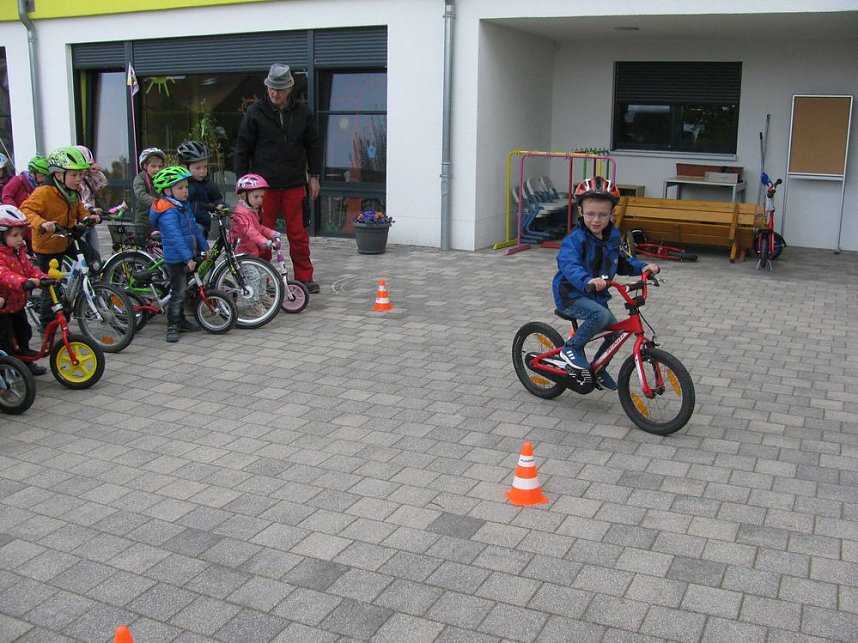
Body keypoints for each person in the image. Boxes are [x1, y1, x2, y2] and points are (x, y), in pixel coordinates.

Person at [553, 176, 659, 390]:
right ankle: (571, 348)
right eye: (590, 214)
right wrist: (587, 280)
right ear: (581, 212)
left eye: (602, 215)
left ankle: (598, 369)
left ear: (612, 214)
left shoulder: (612, 237)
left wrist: (643, 267)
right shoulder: (575, 240)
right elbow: (569, 264)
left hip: (597, 296)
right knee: (600, 316)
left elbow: (623, 262)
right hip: (572, 295)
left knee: (615, 333)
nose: (596, 220)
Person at [234, 63, 322, 294]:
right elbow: (242, 149)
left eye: (280, 89)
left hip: (294, 183)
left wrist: (314, 175)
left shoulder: (304, 113)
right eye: (272, 88)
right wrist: (243, 185)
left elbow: (313, 145)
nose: (275, 93)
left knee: (298, 234)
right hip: (263, 188)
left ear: (290, 88)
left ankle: (304, 277)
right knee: (261, 233)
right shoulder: (255, 112)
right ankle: (263, 280)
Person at [20, 147, 99, 328]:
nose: (79, 179)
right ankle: (47, 325)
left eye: (80, 174)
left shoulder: (72, 190)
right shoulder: (44, 192)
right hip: (48, 245)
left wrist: (87, 216)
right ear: (58, 175)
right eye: (74, 175)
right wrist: (42, 223)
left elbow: (78, 207)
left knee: (93, 262)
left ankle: (81, 295)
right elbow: (26, 209)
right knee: (52, 287)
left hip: (68, 237)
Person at [149, 166, 207, 343]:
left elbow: (195, 228)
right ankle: (172, 325)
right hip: (176, 259)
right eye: (180, 188)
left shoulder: (182, 207)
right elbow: (176, 237)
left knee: (185, 290)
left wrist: (205, 246)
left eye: (186, 187)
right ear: (168, 191)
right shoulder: (168, 212)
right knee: (178, 292)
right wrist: (187, 258)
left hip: (186, 255)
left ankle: (181, 320)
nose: (185, 191)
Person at [0, 205, 50, 375]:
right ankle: (8, 370)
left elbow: (30, 269)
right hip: (3, 307)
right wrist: (24, 283)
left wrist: (42, 277)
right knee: (6, 340)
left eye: (21, 234)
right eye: (14, 235)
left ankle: (25, 363)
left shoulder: (19, 251)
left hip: (17, 305)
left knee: (24, 333)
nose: (20, 239)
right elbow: (4, 275)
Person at [176, 140, 225, 237]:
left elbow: (216, 198)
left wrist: (220, 205)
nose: (202, 171)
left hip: (203, 225)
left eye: (205, 167)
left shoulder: (208, 183)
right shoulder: (179, 185)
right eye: (198, 168)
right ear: (184, 167)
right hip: (183, 226)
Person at [2, 156, 50, 252]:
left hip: (31, 221)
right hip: (19, 219)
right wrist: (16, 212)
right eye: (43, 175)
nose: (45, 178)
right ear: (34, 173)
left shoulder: (40, 186)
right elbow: (6, 194)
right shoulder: (19, 180)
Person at [229, 173, 280, 260]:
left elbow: (258, 228)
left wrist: (272, 234)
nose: (260, 200)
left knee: (259, 272)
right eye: (256, 197)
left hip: (250, 252)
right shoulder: (241, 213)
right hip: (241, 253)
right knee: (253, 274)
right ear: (244, 196)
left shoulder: (252, 210)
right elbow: (249, 230)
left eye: (262, 197)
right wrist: (263, 241)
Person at [74, 145, 108, 256]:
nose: (84, 171)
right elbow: (79, 201)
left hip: (91, 223)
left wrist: (96, 171)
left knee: (96, 256)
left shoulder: (88, 177)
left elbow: (102, 184)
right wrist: (91, 208)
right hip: (79, 224)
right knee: (82, 257)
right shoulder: (74, 182)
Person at [133, 147, 165, 225]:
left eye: (160, 166)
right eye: (154, 166)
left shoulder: (162, 178)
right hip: (144, 220)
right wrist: (158, 202)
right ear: (145, 166)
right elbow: (141, 195)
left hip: (159, 218)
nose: (157, 169)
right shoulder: (140, 178)